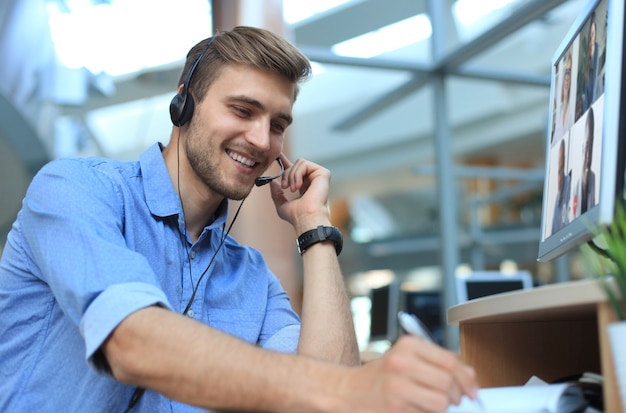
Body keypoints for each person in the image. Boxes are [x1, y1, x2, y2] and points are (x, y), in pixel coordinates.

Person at [0, 26, 479, 412]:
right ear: (183, 103)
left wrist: (314, 228)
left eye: (277, 124)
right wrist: (350, 391)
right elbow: (130, 342)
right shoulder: (74, 190)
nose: (261, 139)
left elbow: (326, 390)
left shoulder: (252, 276)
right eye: (243, 110)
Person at [553, 49, 574, 141]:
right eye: (566, 70)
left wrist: (565, 98)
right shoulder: (559, 107)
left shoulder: (570, 108)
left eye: (569, 71)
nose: (567, 76)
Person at [551, 139, 571, 235]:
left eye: (561, 171)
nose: (560, 178)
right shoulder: (556, 199)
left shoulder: (568, 184)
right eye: (558, 172)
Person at [581, 107, 596, 214]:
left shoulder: (593, 177)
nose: (588, 155)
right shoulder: (575, 187)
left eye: (591, 147)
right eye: (586, 147)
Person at [582, 14, 599, 114]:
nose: (592, 37)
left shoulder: (597, 50)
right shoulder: (587, 58)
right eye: (590, 35)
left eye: (594, 34)